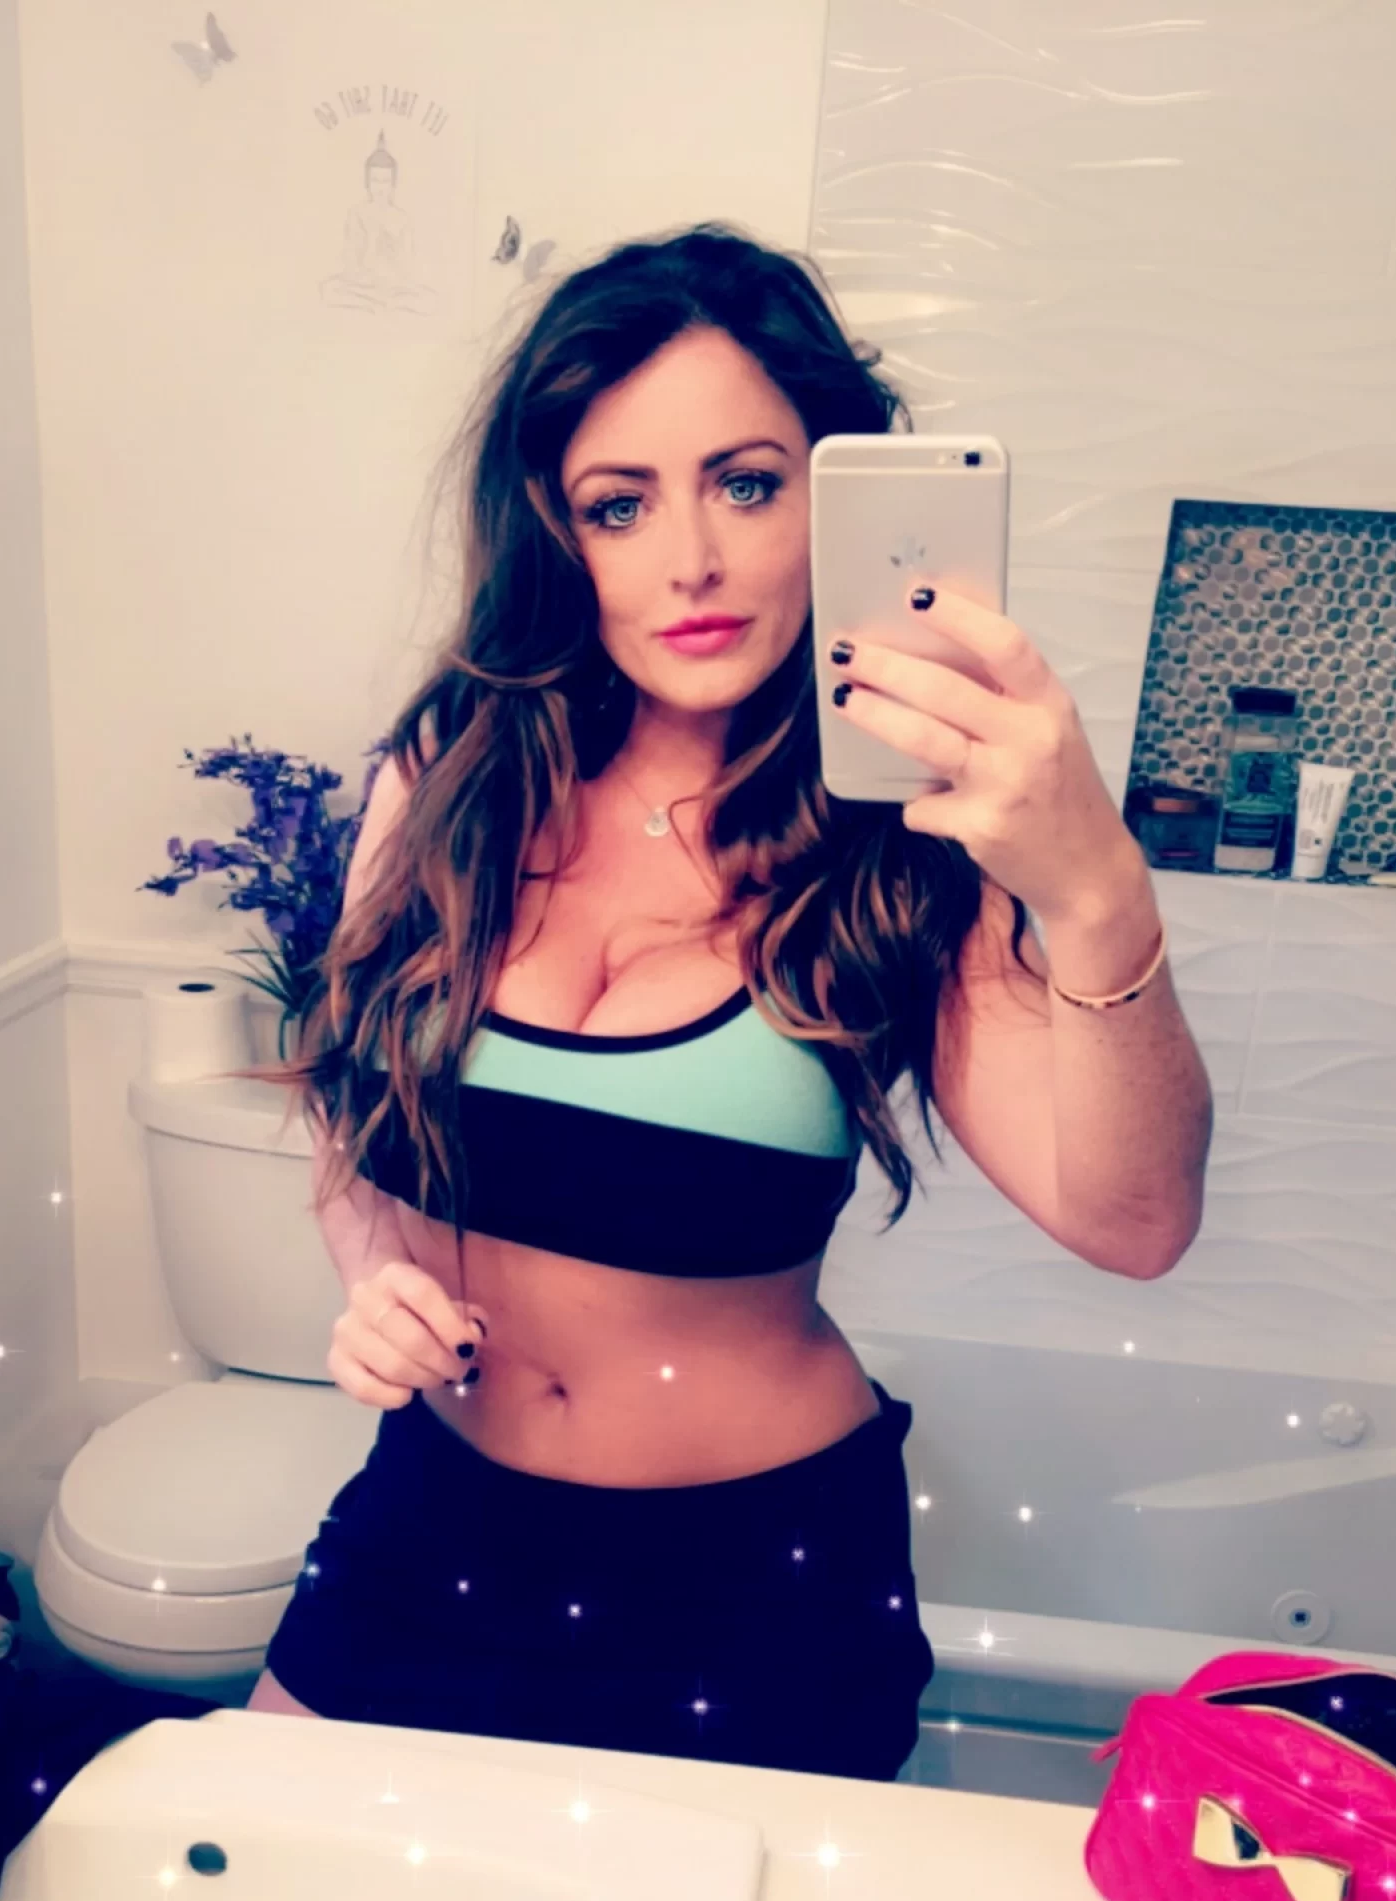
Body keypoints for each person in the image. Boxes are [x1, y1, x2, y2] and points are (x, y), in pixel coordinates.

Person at [249, 224, 1211, 1780]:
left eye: (748, 485)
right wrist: (371, 1280)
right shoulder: (451, 775)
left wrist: (1095, 887)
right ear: (560, 537)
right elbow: (352, 1104)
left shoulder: (903, 842)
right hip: (433, 1526)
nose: (688, 559)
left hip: (750, 1589)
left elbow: (1135, 1220)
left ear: (836, 500)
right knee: (274, 1897)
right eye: (619, 505)